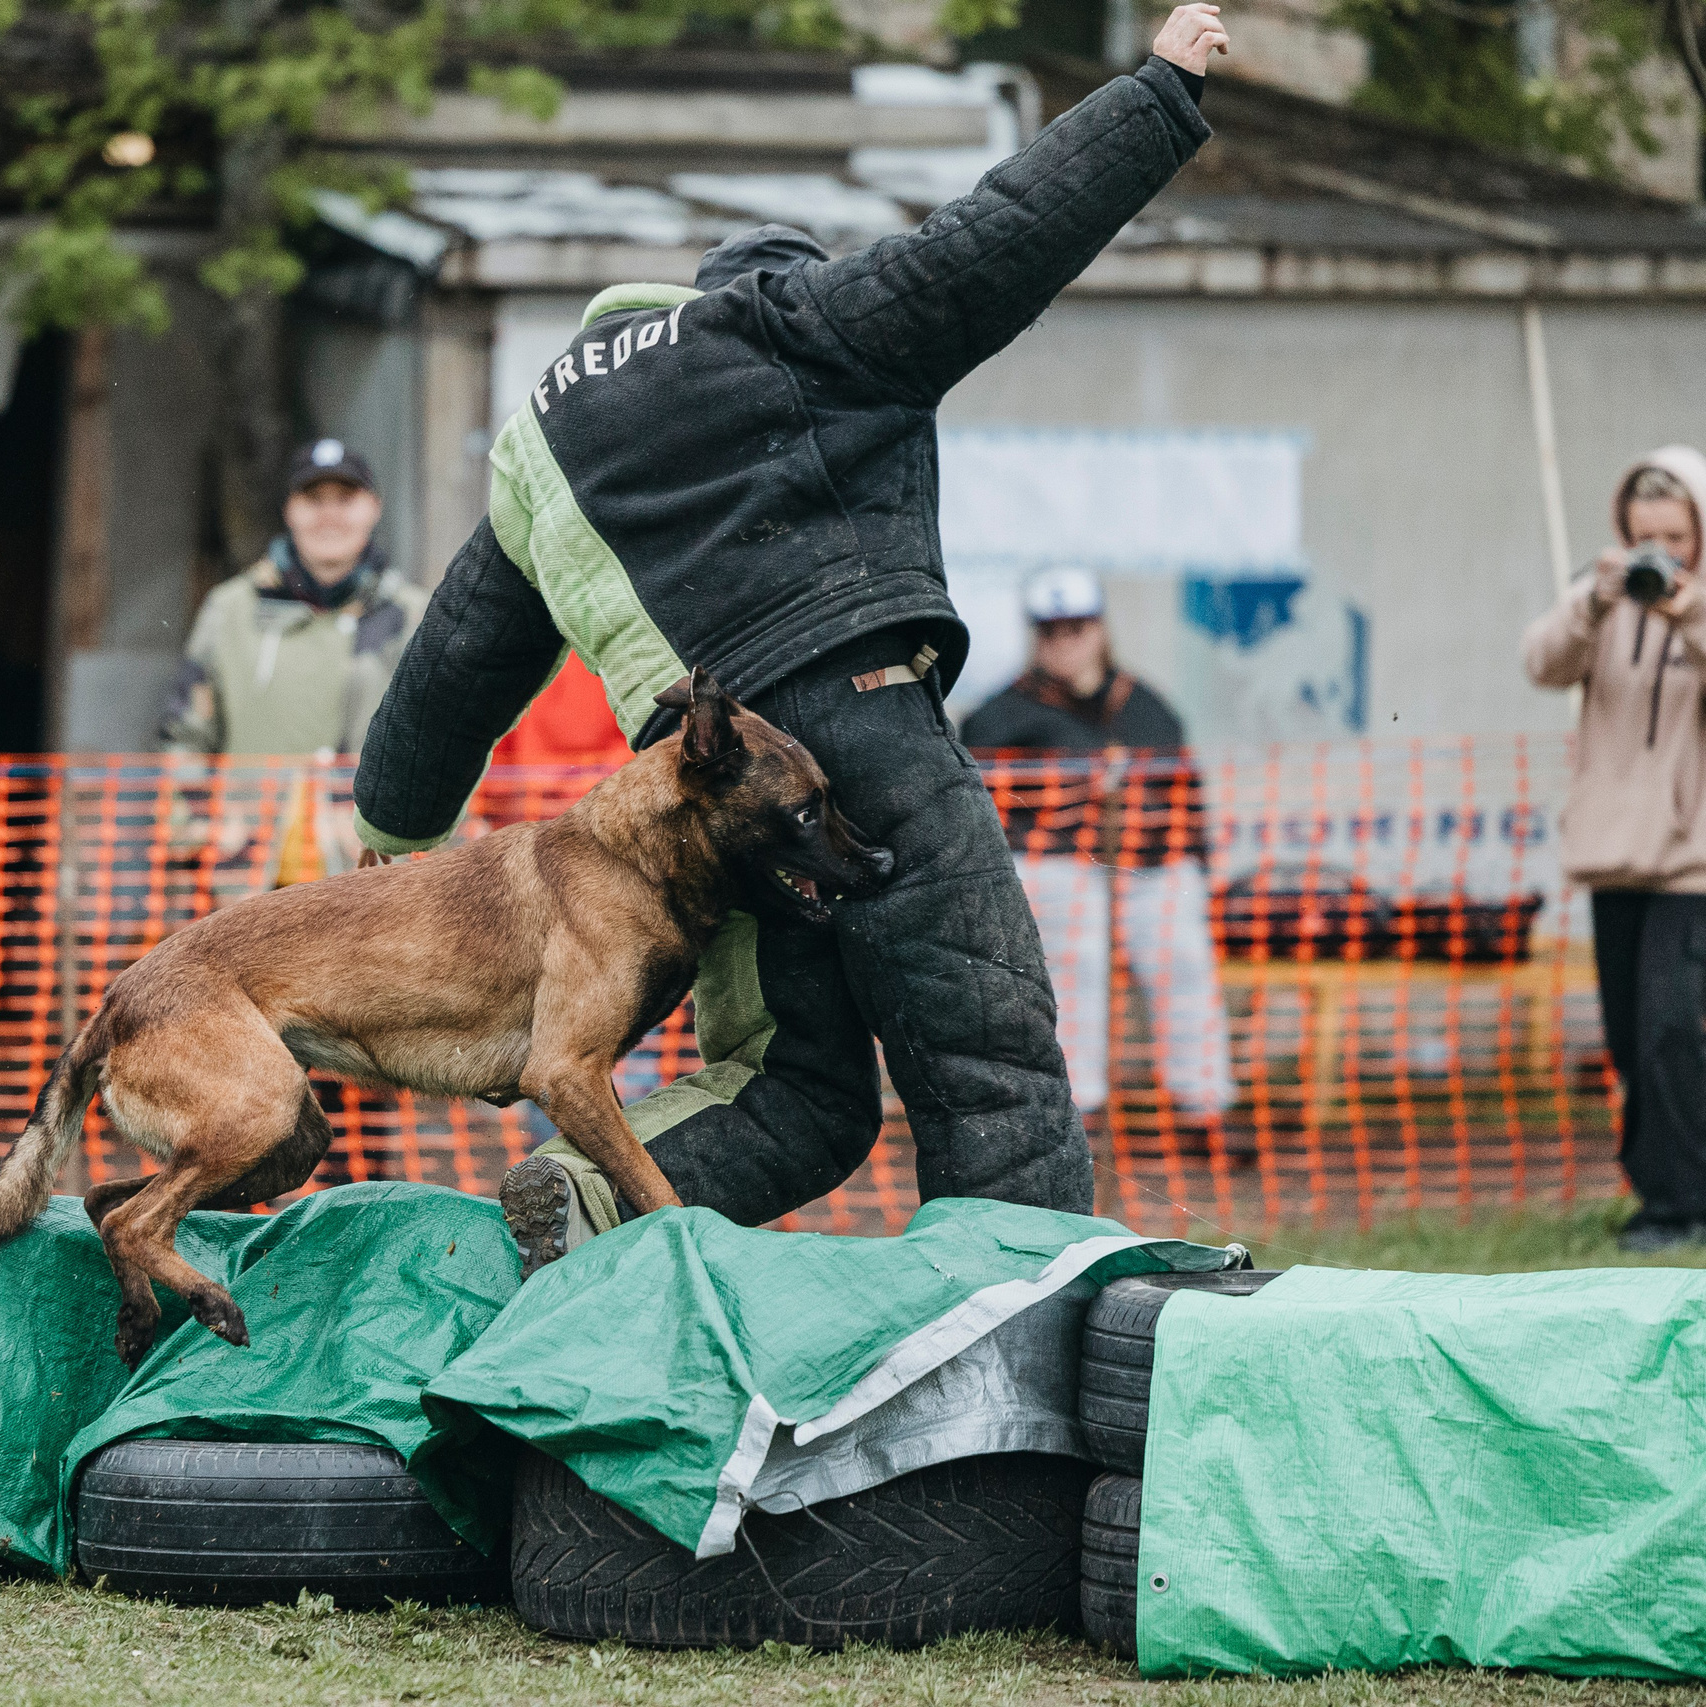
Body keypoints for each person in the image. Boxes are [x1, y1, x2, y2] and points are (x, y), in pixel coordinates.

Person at [349, 6, 1231, 1273]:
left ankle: (580, 1196)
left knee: (794, 1086)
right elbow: (993, 241)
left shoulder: (544, 435)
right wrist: (1154, 96)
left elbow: (461, 648)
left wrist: (395, 824)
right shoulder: (795, 323)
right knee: (982, 1053)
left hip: (700, 793)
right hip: (853, 726)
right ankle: (1024, 1311)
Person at [960, 567, 1245, 1164]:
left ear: (1099, 629)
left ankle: (1205, 1107)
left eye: (1077, 627)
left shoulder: (1144, 705)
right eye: (1052, 630)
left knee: (1183, 960)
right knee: (1074, 963)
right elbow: (981, 813)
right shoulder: (1001, 714)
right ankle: (1080, 1109)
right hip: (1059, 866)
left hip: (1148, 864)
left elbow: (1187, 796)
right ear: (1036, 635)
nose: (1066, 640)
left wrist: (1198, 864)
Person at [1522, 446, 1706, 1252]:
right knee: (1632, 1040)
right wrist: (1590, 605)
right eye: (1644, 538)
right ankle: (1658, 1193)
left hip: (1692, 861)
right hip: (1611, 855)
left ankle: (1680, 1206)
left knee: (1671, 1028)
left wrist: (1687, 611)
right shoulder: (1601, 601)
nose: (1660, 553)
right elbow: (1540, 662)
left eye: (1677, 537)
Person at [163, 439, 429, 889]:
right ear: (289, 510)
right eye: (313, 499)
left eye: (345, 499)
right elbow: (183, 734)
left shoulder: (414, 616)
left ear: (374, 507)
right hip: (250, 885)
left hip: (376, 885)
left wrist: (426, 837)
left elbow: (443, 739)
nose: (329, 516)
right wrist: (200, 830)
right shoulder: (230, 610)